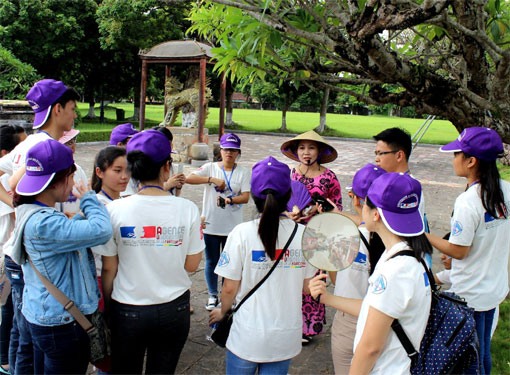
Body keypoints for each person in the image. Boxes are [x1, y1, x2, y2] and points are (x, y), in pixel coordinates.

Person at [95, 130, 204, 374]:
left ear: (131, 169)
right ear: (167, 166)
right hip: (174, 309)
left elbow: (109, 268)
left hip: (128, 308)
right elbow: (191, 265)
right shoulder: (187, 209)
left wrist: (111, 309)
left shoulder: (114, 210)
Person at [4, 139, 112, 374]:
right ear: (56, 181)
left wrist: (82, 216)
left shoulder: (31, 211)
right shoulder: (43, 223)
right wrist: (91, 200)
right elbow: (102, 231)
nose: (74, 183)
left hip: (46, 317)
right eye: (71, 177)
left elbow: (70, 235)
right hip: (61, 324)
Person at [309, 172, 432, 374]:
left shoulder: (396, 270)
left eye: (366, 203)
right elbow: (372, 307)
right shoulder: (407, 254)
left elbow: (370, 348)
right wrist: (326, 298)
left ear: (375, 214)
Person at [209, 156, 315, 375]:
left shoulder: (241, 233)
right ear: (288, 194)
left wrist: (222, 311)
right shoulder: (305, 235)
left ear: (254, 196)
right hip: (285, 336)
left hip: (246, 335)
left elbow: (229, 287)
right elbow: (307, 287)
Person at [426, 127, 510, 375]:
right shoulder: (506, 189)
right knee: (482, 352)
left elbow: (459, 251)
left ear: (471, 161)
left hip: (470, 295)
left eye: (456, 155)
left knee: (468, 360)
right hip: (493, 290)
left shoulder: (469, 200)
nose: (453, 160)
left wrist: (424, 235)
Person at [280, 130, 342, 344]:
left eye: (311, 147)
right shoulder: (289, 174)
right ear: (296, 151)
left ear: (320, 151)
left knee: (314, 279)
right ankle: (289, 321)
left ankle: (309, 326)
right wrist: (289, 213)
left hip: (318, 235)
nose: (306, 152)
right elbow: (279, 202)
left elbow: (338, 208)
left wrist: (318, 210)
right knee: (291, 276)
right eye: (302, 148)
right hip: (291, 233)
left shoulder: (329, 177)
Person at [328, 163, 385, 374]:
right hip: (384, 320)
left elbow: (335, 279)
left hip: (348, 318)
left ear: (355, 198)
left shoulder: (342, 237)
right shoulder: (397, 240)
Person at [185, 133, 250, 311]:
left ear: (238, 152)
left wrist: (230, 200)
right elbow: (189, 178)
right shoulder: (210, 168)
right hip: (211, 224)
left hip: (232, 226)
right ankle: (213, 295)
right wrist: (211, 179)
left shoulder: (243, 172)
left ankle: (226, 295)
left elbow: (245, 197)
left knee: (229, 263)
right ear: (220, 150)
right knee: (211, 261)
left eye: (233, 150)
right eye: (226, 149)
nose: (229, 153)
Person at [0, 79, 79, 208]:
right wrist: (16, 205)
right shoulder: (47, 149)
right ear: (58, 109)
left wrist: (16, 206)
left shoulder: (27, 143)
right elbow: (13, 183)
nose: (75, 115)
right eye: (72, 109)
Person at [0, 125, 26, 375]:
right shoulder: (9, 181)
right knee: (9, 309)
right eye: (21, 147)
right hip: (7, 256)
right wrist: (16, 205)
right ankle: (5, 362)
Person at [57, 129, 88, 216]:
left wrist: (78, 216)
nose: (73, 147)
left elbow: (86, 198)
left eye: (74, 142)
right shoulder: (49, 172)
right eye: (68, 143)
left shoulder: (78, 170)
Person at [154, 126, 186, 196]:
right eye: (165, 143)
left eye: (170, 143)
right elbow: (147, 192)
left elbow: (176, 195)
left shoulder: (171, 165)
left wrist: (178, 186)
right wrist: (168, 185)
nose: (170, 146)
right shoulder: (148, 166)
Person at [109, 123, 139, 197]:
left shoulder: (132, 163)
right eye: (132, 142)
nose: (137, 145)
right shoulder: (118, 168)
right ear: (119, 145)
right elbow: (128, 199)